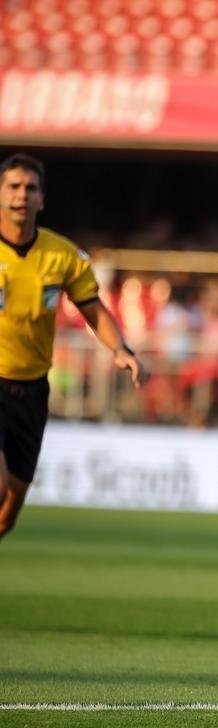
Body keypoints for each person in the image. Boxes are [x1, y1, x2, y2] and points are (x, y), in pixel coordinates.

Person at [0, 153, 148, 540]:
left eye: (30, 188)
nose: (21, 195)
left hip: (31, 391)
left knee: (6, 516)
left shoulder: (62, 255)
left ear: (42, 199)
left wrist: (121, 349)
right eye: (13, 187)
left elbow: (93, 310)